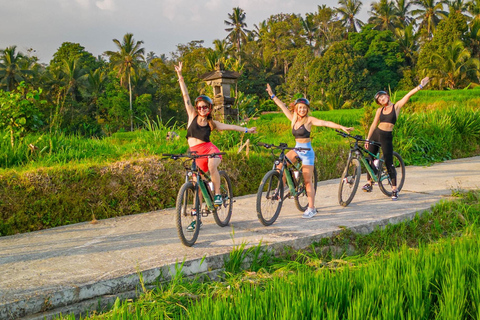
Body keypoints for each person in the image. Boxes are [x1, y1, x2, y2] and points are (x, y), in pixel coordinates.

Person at [175, 62, 257, 230]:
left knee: (213, 166)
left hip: (209, 150)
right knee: (196, 187)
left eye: (205, 107)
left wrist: (247, 129)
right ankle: (195, 219)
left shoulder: (212, 123)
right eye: (200, 107)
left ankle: (218, 194)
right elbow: (186, 96)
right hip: (194, 153)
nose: (202, 109)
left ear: (209, 108)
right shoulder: (191, 115)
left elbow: (232, 127)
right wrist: (180, 77)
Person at [266, 84, 354, 219]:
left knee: (308, 181)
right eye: (299, 108)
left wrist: (341, 127)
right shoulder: (293, 119)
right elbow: (282, 106)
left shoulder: (309, 121)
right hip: (296, 149)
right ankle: (280, 191)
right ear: (296, 109)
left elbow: (325, 123)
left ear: (307, 110)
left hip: (307, 151)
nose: (302, 110)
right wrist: (272, 95)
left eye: (304, 108)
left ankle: (311, 208)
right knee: (280, 166)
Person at [363, 77, 430, 200]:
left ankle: (394, 189)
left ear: (387, 96)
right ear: (379, 103)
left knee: (389, 163)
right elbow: (373, 125)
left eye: (382, 97)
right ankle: (369, 183)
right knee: (369, 157)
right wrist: (367, 139)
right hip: (376, 134)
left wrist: (420, 86)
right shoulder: (380, 110)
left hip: (386, 136)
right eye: (379, 100)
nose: (382, 99)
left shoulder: (396, 107)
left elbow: (408, 95)